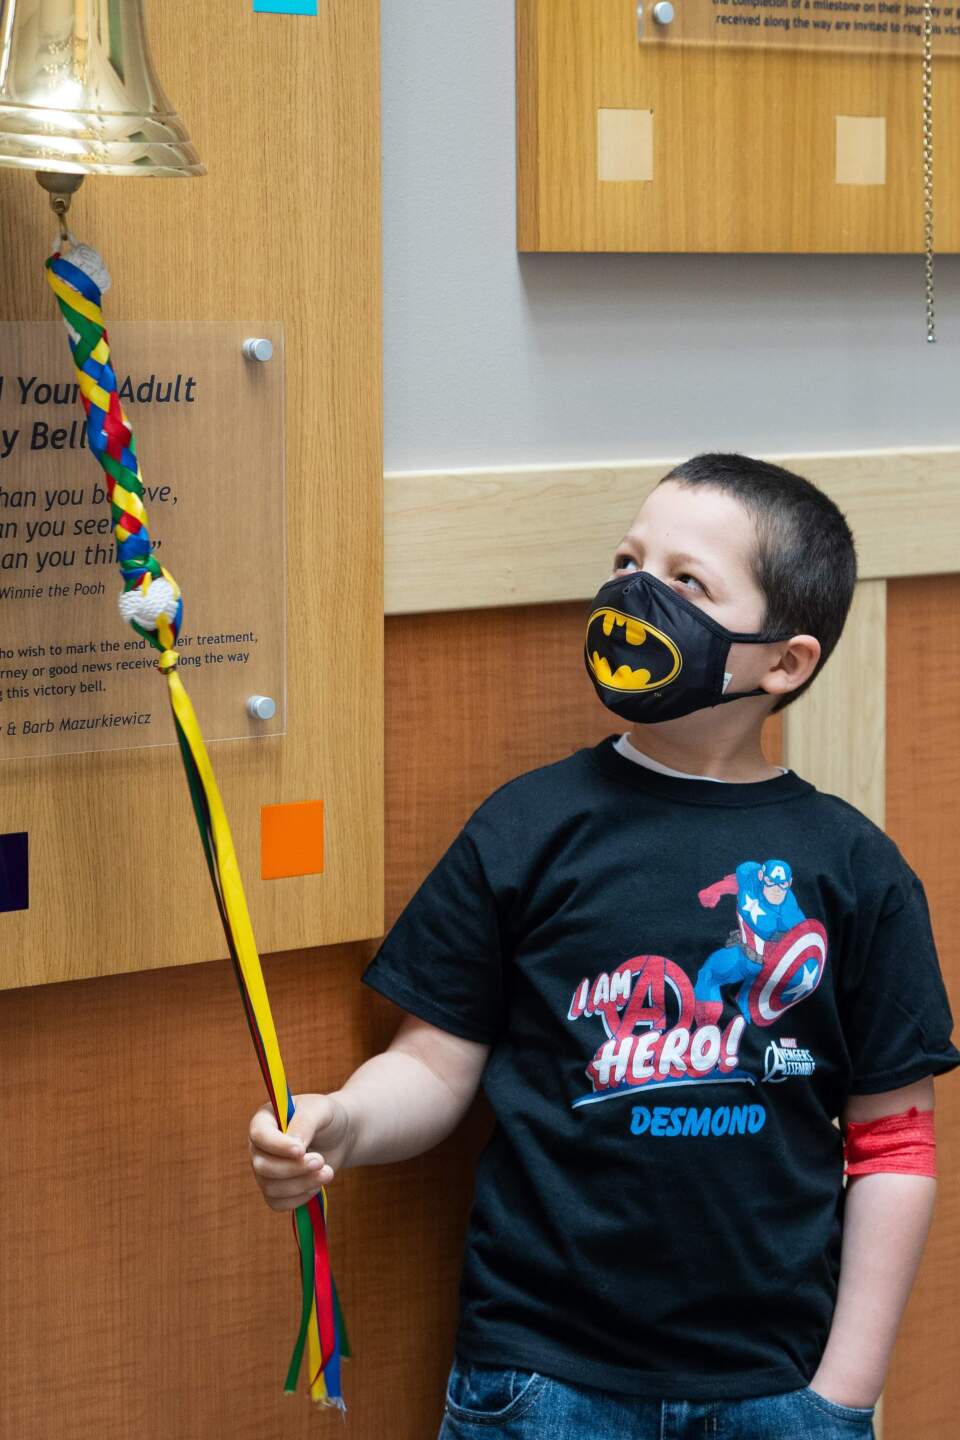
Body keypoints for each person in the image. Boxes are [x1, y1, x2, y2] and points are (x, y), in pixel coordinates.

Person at [248, 452, 960, 1439]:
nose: (634, 593)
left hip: (777, 1384)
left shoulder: (856, 870)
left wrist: (840, 1395)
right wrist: (343, 1123)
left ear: (784, 662)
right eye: (628, 560)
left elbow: (894, 1142)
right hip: (541, 1378)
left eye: (686, 581)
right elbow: (435, 1062)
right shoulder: (527, 829)